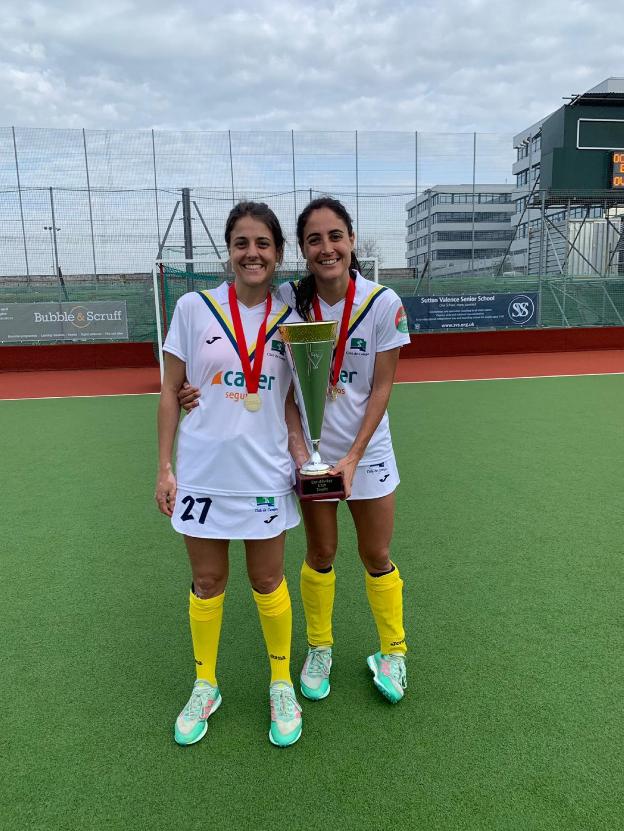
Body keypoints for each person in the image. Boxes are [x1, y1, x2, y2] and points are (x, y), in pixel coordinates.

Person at [180, 197, 411, 706]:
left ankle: (393, 649)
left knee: (375, 554)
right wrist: (192, 388)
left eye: (335, 236)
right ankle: (320, 646)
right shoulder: (291, 302)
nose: (326, 248)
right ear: (302, 251)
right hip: (312, 458)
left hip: (367, 454)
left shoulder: (383, 303)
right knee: (321, 553)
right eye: (314, 240)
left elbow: (381, 389)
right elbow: (274, 379)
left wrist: (352, 457)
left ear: (352, 240)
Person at [156, 201, 305, 748]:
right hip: (202, 472)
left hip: (265, 473)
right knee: (207, 582)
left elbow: (297, 399)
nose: (252, 253)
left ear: (278, 254)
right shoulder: (195, 308)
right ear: (229, 251)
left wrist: (297, 448)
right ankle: (205, 684)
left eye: (263, 244)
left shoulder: (293, 318)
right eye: (241, 243)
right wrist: (165, 468)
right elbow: (172, 393)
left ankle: (282, 682)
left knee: (268, 580)